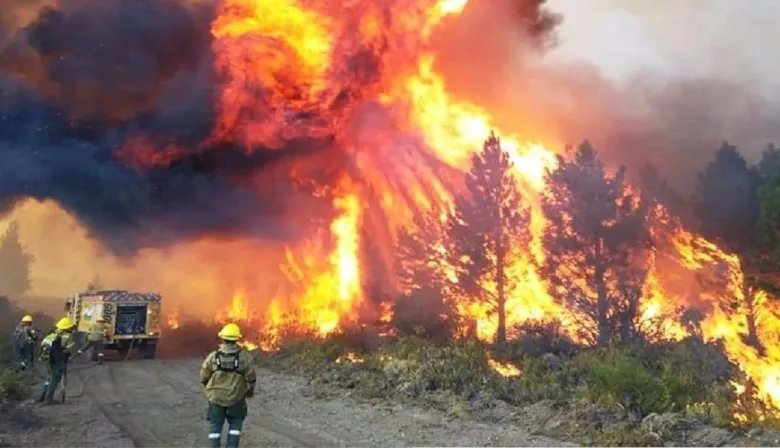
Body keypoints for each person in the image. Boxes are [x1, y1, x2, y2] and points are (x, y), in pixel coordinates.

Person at [200, 323, 257, 448]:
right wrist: (250, 390)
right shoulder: (245, 357)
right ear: (237, 339)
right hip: (236, 398)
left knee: (215, 424)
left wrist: (208, 388)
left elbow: (203, 376)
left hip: (215, 398)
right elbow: (251, 377)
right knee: (235, 424)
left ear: (222, 338)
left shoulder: (213, 357)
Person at [38, 317, 77, 404]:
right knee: (54, 378)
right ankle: (48, 400)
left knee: (49, 377)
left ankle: (42, 397)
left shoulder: (52, 334)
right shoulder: (67, 336)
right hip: (56, 360)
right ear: (68, 328)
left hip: (45, 358)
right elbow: (69, 349)